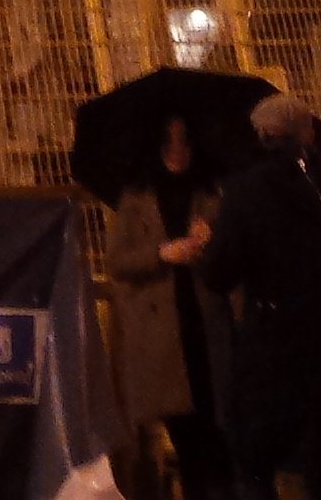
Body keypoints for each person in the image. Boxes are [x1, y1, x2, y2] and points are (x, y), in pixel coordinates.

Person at [184, 89, 321, 500]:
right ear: (308, 133)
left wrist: (205, 246)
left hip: (273, 343)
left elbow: (220, 273)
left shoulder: (247, 191)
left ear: (262, 134)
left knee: (256, 459)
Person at [105, 109, 231, 500]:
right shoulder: (136, 196)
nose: (177, 150)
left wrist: (212, 239)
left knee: (218, 430)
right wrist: (162, 253)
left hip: (206, 325)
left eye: (184, 140)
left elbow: (235, 256)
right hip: (165, 334)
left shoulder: (212, 193)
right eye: (168, 141)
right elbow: (118, 261)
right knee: (186, 429)